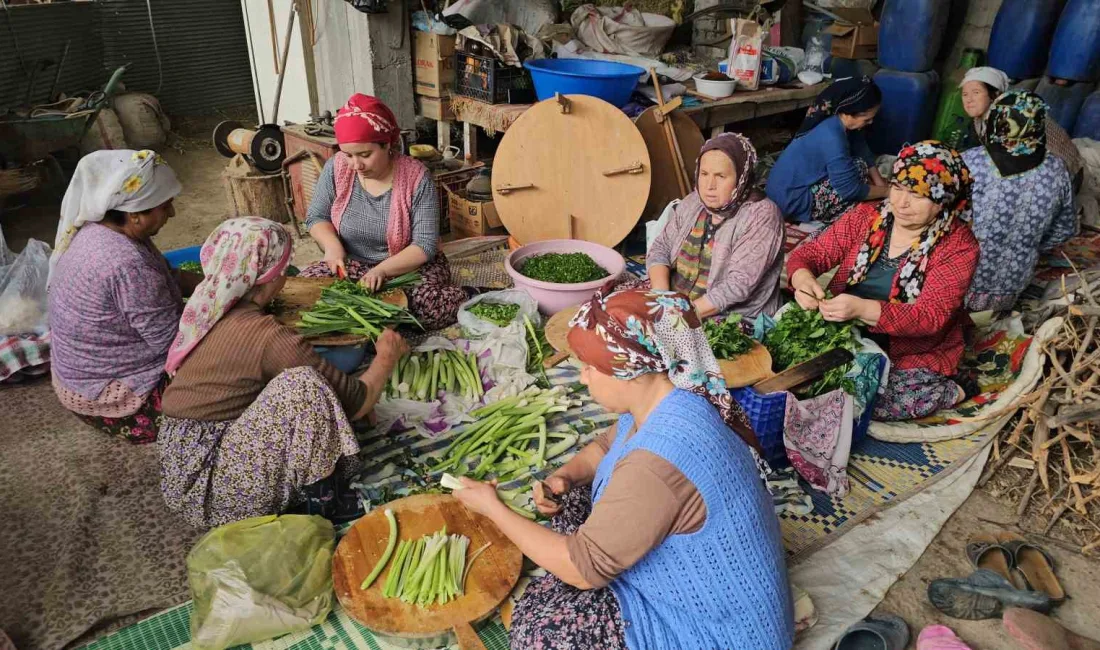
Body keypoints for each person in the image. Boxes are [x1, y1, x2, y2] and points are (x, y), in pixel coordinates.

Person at [452, 282, 793, 650]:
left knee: (540, 631)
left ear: (628, 371)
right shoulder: (676, 396)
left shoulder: (658, 464)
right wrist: (564, 476)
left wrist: (493, 508)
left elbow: (583, 571)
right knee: (573, 504)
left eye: (589, 369)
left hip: (719, 634)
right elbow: (605, 446)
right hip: (711, 590)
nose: (582, 378)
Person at [158, 217, 407, 527]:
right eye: (283, 268)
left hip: (183, 464)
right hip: (211, 491)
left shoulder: (207, 308)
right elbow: (358, 403)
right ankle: (325, 501)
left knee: (303, 385)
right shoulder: (266, 334)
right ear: (269, 276)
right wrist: (386, 357)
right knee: (303, 386)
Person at [787, 141, 980, 422]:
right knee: (799, 377)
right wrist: (802, 277)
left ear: (943, 200)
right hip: (842, 325)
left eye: (916, 194)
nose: (901, 203)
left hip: (907, 345)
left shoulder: (959, 246)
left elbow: (930, 316)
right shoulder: (868, 216)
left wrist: (862, 309)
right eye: (898, 188)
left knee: (863, 400)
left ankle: (953, 390)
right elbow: (812, 253)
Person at [48, 150, 201, 443]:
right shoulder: (126, 263)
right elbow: (177, 344)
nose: (172, 213)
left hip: (80, 377)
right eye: (165, 205)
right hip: (114, 397)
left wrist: (220, 284)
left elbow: (172, 276)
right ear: (135, 213)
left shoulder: (107, 231)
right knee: (238, 376)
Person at [299, 93, 466, 330]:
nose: (356, 165)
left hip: (408, 267)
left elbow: (425, 245)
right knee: (306, 291)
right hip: (353, 265)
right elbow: (316, 217)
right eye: (348, 155)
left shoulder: (417, 178)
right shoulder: (336, 168)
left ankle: (468, 294)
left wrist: (382, 271)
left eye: (365, 155)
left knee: (426, 307)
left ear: (387, 144)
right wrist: (333, 247)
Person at [647, 132, 784, 319]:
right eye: (704, 174)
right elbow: (661, 247)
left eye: (720, 176)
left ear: (741, 178)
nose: (709, 185)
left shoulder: (762, 215)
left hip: (728, 315)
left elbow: (738, 285)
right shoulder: (694, 201)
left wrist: (681, 317)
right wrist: (661, 298)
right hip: (676, 303)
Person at [963, 91, 1078, 313]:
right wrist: (1025, 244)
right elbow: (1065, 229)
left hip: (959, 284)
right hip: (1010, 289)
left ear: (996, 121)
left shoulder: (972, 161)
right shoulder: (1056, 169)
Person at [766, 76, 889, 223]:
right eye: (867, 119)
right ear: (850, 113)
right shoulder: (832, 137)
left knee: (858, 165)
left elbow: (860, 146)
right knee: (858, 170)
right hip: (791, 202)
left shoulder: (835, 121)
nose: (871, 122)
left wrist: (879, 182)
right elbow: (850, 190)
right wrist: (888, 192)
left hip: (780, 193)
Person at [958, 67, 1083, 190]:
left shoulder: (1010, 116)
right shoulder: (980, 119)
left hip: (1063, 176)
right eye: (965, 94)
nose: (969, 100)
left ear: (994, 94)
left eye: (976, 93)